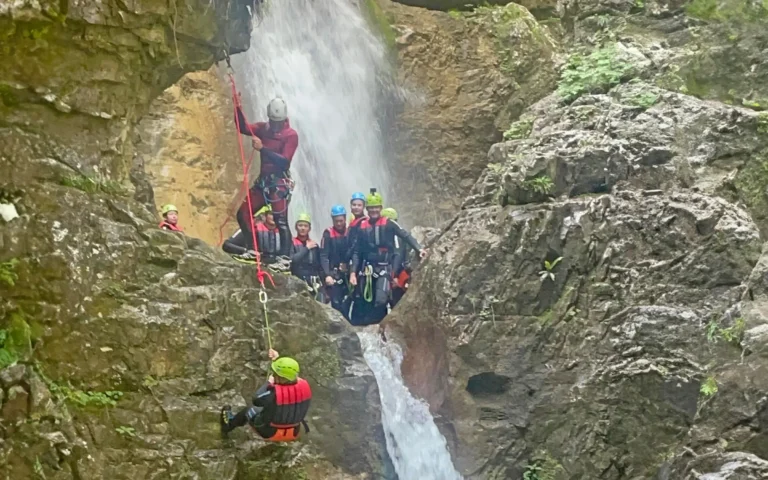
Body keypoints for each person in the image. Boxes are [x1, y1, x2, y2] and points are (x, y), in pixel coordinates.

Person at [234, 96, 299, 258]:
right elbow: (243, 127)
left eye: (278, 122)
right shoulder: (264, 129)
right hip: (263, 183)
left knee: (280, 221)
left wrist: (262, 149)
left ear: (284, 119)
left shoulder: (291, 135)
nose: (275, 125)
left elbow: (284, 162)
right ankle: (252, 249)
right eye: (273, 121)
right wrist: (237, 108)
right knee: (243, 213)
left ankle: (285, 258)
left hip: (279, 183)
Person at [349, 190, 427, 324]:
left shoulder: (389, 223)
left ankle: (378, 325)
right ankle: (371, 328)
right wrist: (352, 273)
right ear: (367, 209)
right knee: (365, 300)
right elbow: (357, 252)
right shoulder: (361, 226)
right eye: (371, 208)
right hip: (367, 269)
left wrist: (419, 249)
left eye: (376, 207)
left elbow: (405, 235)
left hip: (384, 268)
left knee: (381, 300)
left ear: (381, 208)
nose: (374, 210)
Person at [220, 348, 311, 441]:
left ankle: (228, 425)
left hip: (270, 432)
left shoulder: (273, 394)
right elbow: (290, 375)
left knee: (249, 410)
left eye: (275, 374)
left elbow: (256, 399)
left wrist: (268, 382)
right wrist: (277, 359)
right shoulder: (304, 386)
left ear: (280, 377)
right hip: (294, 431)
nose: (274, 375)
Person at [222, 206, 290, 271]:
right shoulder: (252, 229)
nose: (275, 217)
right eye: (271, 214)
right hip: (254, 268)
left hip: (274, 269)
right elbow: (227, 245)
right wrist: (245, 251)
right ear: (264, 216)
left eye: (277, 215)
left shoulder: (284, 235)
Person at [320, 205, 351, 315]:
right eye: (336, 221)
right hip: (334, 273)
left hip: (349, 272)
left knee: (350, 301)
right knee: (336, 303)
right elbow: (323, 256)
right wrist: (327, 275)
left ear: (345, 219)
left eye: (341, 221)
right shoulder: (328, 233)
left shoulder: (350, 231)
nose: (338, 224)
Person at [381, 207, 411, 307]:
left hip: (396, 274)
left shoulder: (394, 236)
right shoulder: (400, 235)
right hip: (397, 272)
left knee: (394, 300)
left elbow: (398, 255)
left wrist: (394, 276)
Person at [290, 213, 323, 296]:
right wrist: (306, 248)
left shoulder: (314, 245)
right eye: (300, 225)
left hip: (312, 280)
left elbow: (319, 266)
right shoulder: (291, 243)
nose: (303, 228)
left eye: (305, 226)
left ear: (309, 228)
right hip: (297, 279)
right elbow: (293, 260)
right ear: (296, 227)